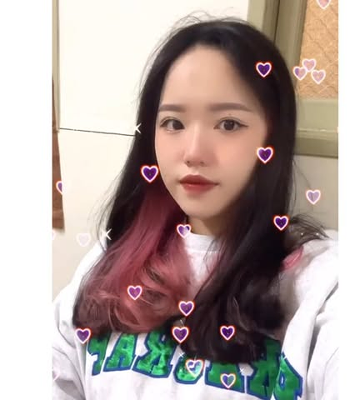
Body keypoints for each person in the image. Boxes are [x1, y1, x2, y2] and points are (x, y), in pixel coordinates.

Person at [53, 16, 338, 400]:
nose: (193, 153)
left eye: (229, 124)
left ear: (272, 136)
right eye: (173, 123)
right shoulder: (110, 260)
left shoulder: (321, 282)